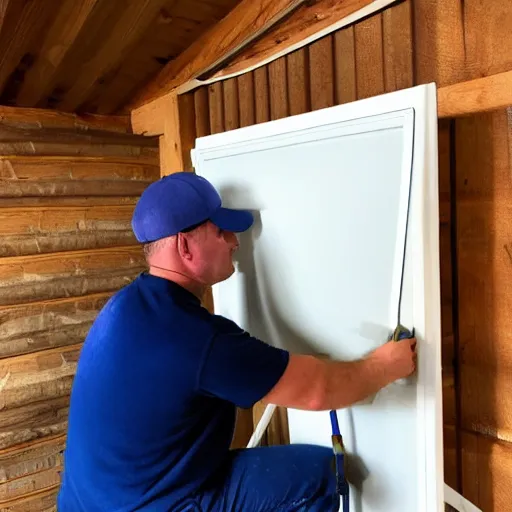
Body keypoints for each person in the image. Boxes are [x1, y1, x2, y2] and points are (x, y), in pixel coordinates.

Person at [57, 172, 416, 512]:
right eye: (221, 231)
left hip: (90, 502)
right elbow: (317, 391)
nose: (234, 241)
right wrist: (384, 366)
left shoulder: (125, 306)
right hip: (157, 504)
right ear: (185, 246)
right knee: (322, 475)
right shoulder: (196, 338)